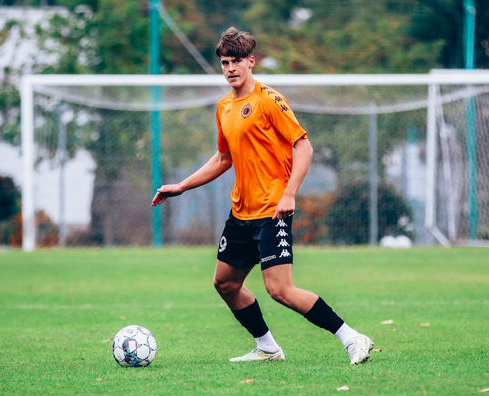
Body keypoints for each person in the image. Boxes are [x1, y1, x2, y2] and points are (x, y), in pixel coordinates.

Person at [152, 27, 374, 364]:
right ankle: (268, 348)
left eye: (236, 61)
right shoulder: (224, 107)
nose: (230, 68)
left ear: (251, 62)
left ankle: (352, 338)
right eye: (225, 62)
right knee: (225, 284)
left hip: (273, 210)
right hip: (241, 213)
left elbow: (304, 147)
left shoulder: (269, 100)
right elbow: (223, 158)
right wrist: (182, 186)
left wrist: (289, 194)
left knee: (279, 289)